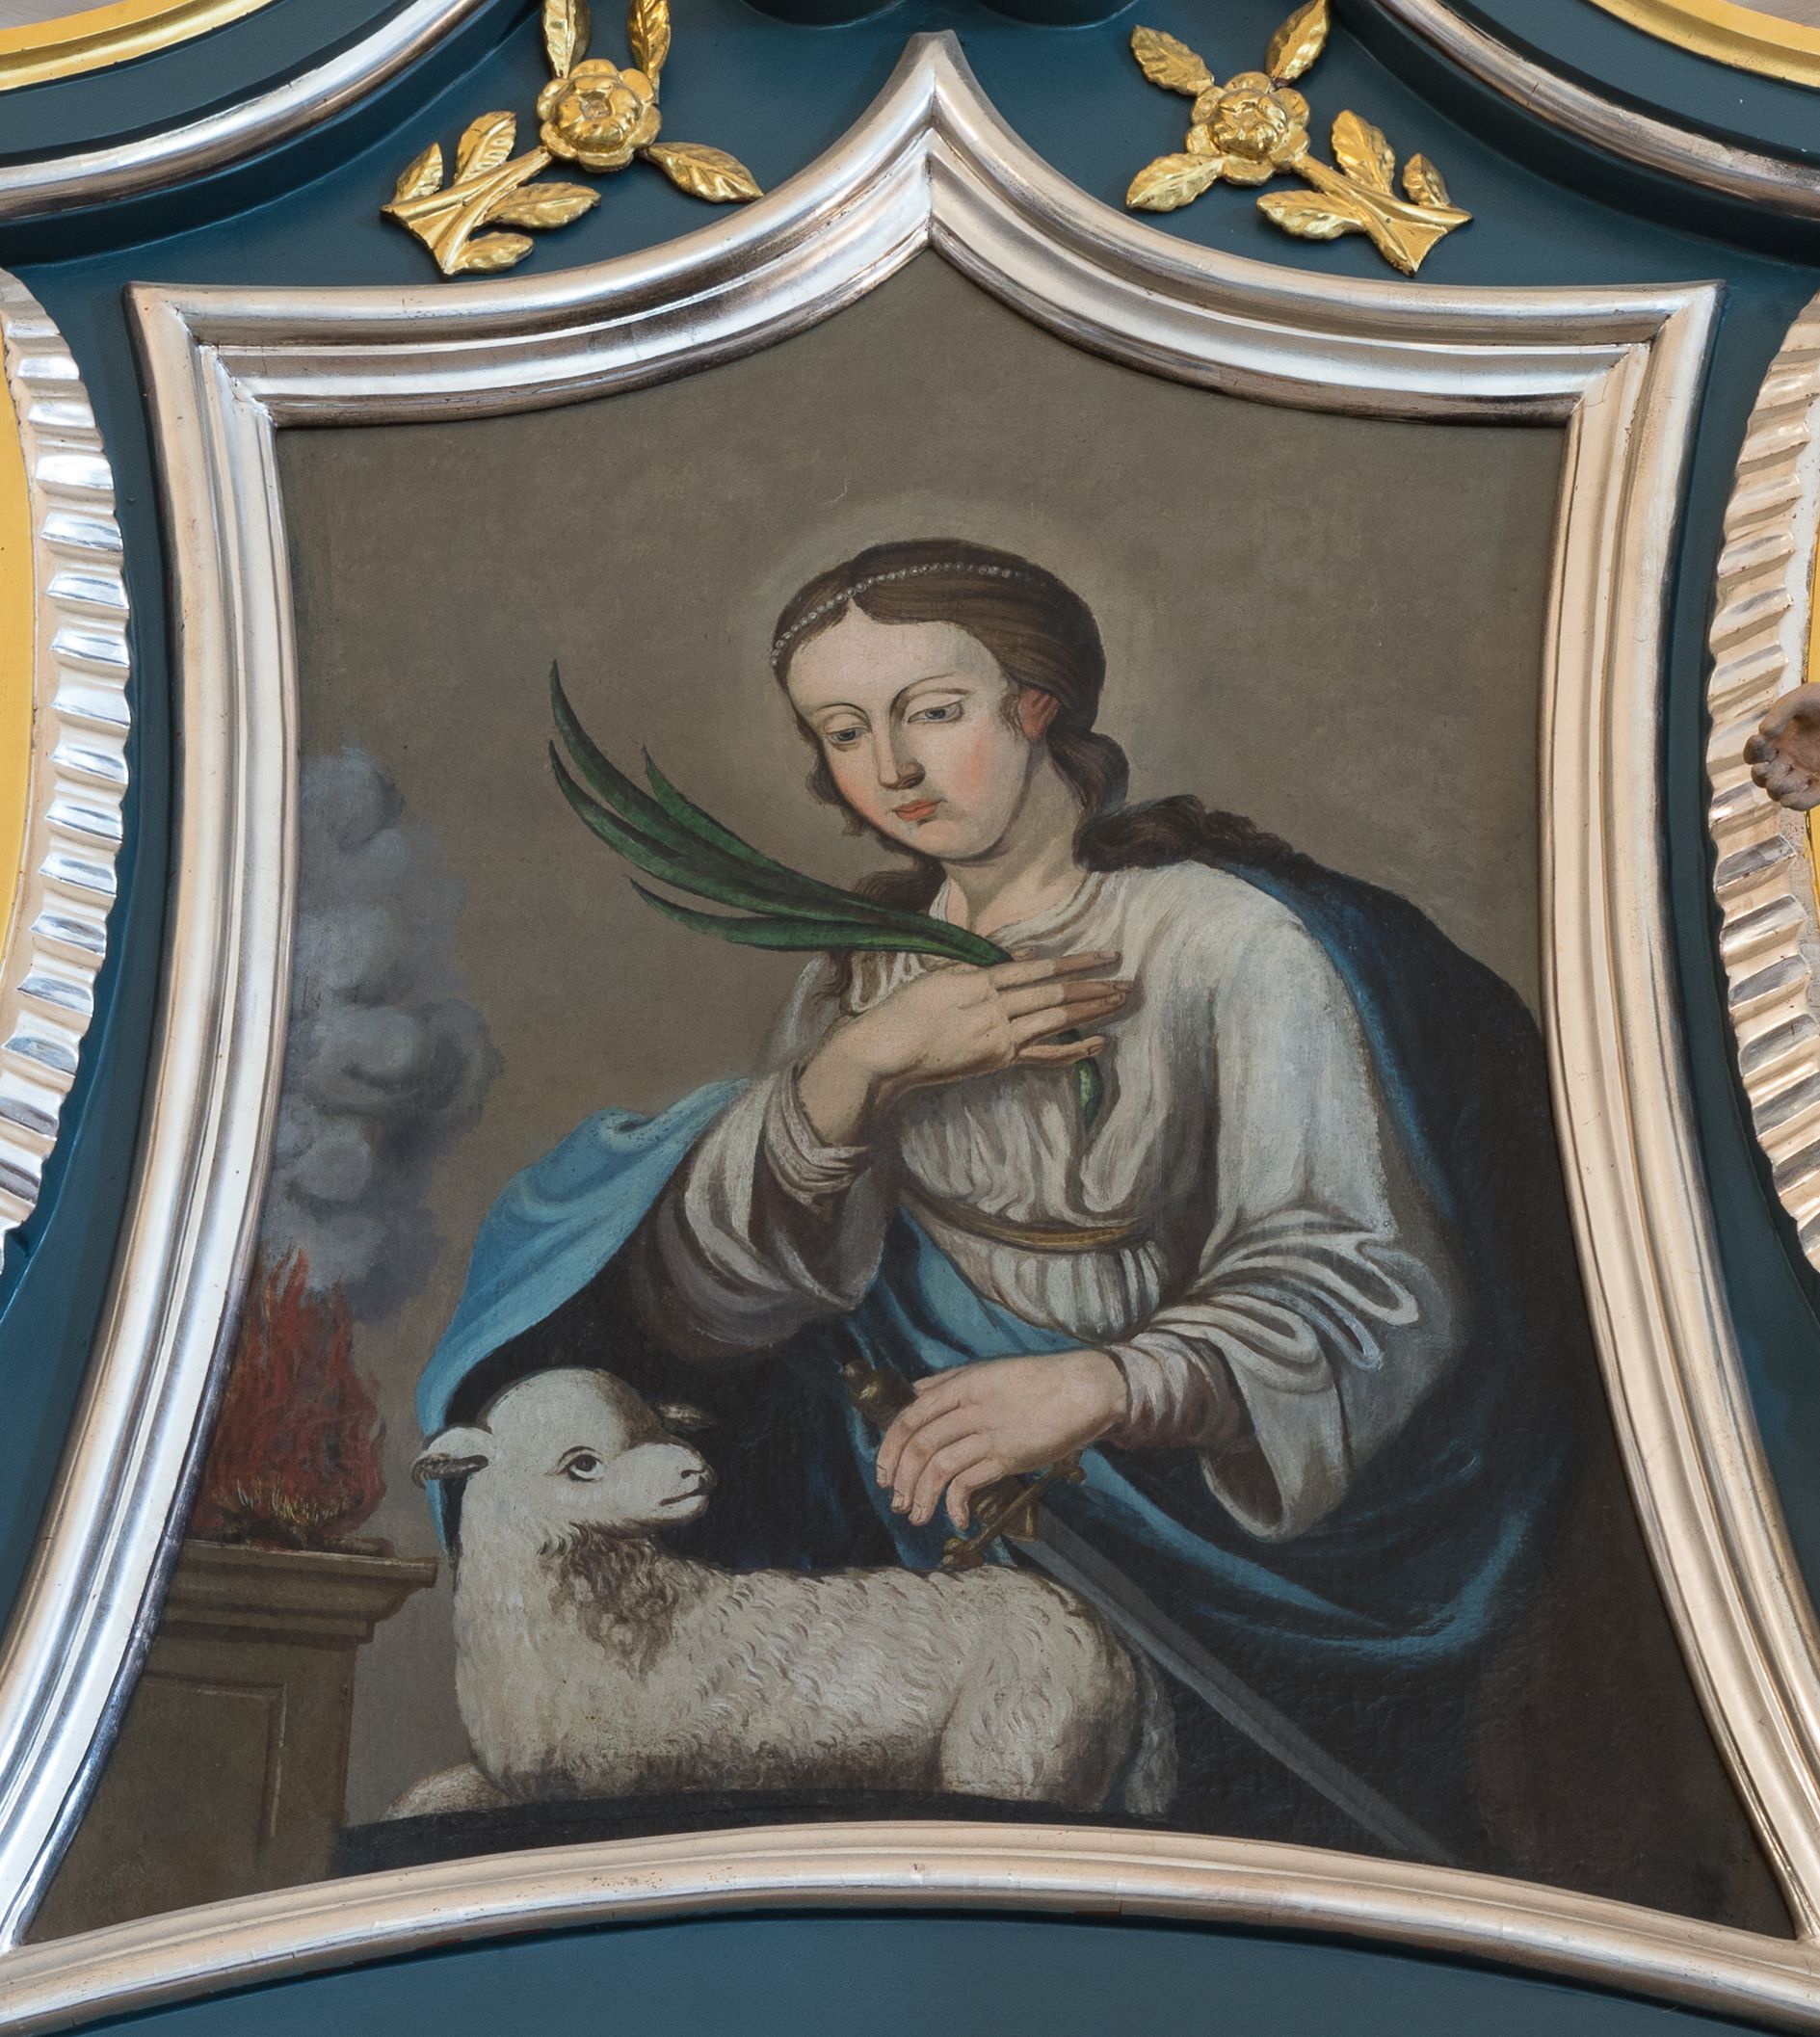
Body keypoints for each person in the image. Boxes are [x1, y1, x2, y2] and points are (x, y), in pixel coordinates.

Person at [419, 539, 1785, 1923]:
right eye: (842, 730)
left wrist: (1105, 1383)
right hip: (946, 1539)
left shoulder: (1226, 945)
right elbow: (724, 1305)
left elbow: (1365, 1282)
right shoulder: (863, 978)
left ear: (1036, 704)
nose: (891, 766)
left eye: (930, 710)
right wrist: (857, 1068)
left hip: (1253, 1550)